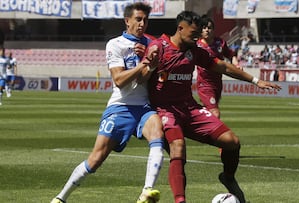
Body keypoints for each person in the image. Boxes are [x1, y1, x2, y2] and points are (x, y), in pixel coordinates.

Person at [145, 11, 281, 203]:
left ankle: (228, 177)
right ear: (180, 28)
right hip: (165, 110)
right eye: (194, 33)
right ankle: (180, 200)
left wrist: (256, 80)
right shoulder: (159, 47)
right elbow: (140, 75)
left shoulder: (194, 50)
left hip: (189, 109)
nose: (197, 37)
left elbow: (223, 66)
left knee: (232, 141)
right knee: (178, 147)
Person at [51, 3, 164, 203]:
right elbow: (119, 81)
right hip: (120, 107)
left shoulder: (150, 43)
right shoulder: (115, 44)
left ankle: (147, 190)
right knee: (95, 160)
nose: (142, 24)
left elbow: (142, 79)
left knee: (157, 134)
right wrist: (144, 63)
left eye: (145, 20)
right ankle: (61, 198)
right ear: (127, 20)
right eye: (138, 19)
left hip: (144, 106)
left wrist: (151, 63)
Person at [196, 15, 237, 118]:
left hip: (217, 83)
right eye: (204, 28)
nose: (207, 30)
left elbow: (231, 55)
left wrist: (236, 64)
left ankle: (200, 126)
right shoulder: (196, 45)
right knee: (215, 113)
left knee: (210, 113)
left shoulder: (220, 43)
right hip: (204, 84)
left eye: (209, 28)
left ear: (213, 30)